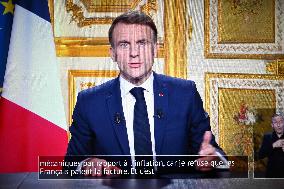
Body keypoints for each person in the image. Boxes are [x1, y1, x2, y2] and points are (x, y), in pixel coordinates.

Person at [65, 11, 225, 176]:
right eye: (124, 44)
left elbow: (215, 154)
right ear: (112, 53)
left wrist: (215, 158)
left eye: (142, 43)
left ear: (155, 49)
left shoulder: (185, 94)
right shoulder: (89, 102)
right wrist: (86, 164)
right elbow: (70, 165)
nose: (134, 53)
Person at [258, 114, 284, 178]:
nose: (278, 125)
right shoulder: (268, 137)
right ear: (272, 125)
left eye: (281, 122)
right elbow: (260, 155)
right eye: (275, 122)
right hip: (272, 175)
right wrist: (273, 145)